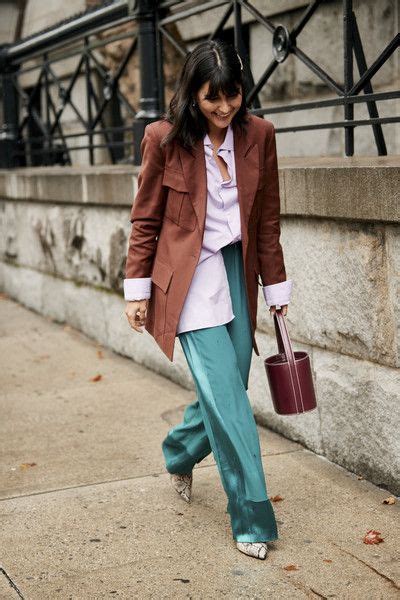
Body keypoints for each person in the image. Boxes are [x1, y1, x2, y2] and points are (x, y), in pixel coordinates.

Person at [124, 39, 293, 560]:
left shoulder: (259, 135)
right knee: (230, 404)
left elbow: (266, 222)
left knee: (227, 391)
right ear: (192, 95)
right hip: (186, 279)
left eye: (233, 95)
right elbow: (146, 217)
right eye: (211, 98)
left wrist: (277, 289)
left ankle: (178, 452)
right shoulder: (165, 138)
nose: (223, 108)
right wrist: (136, 289)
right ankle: (251, 517)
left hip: (235, 272)